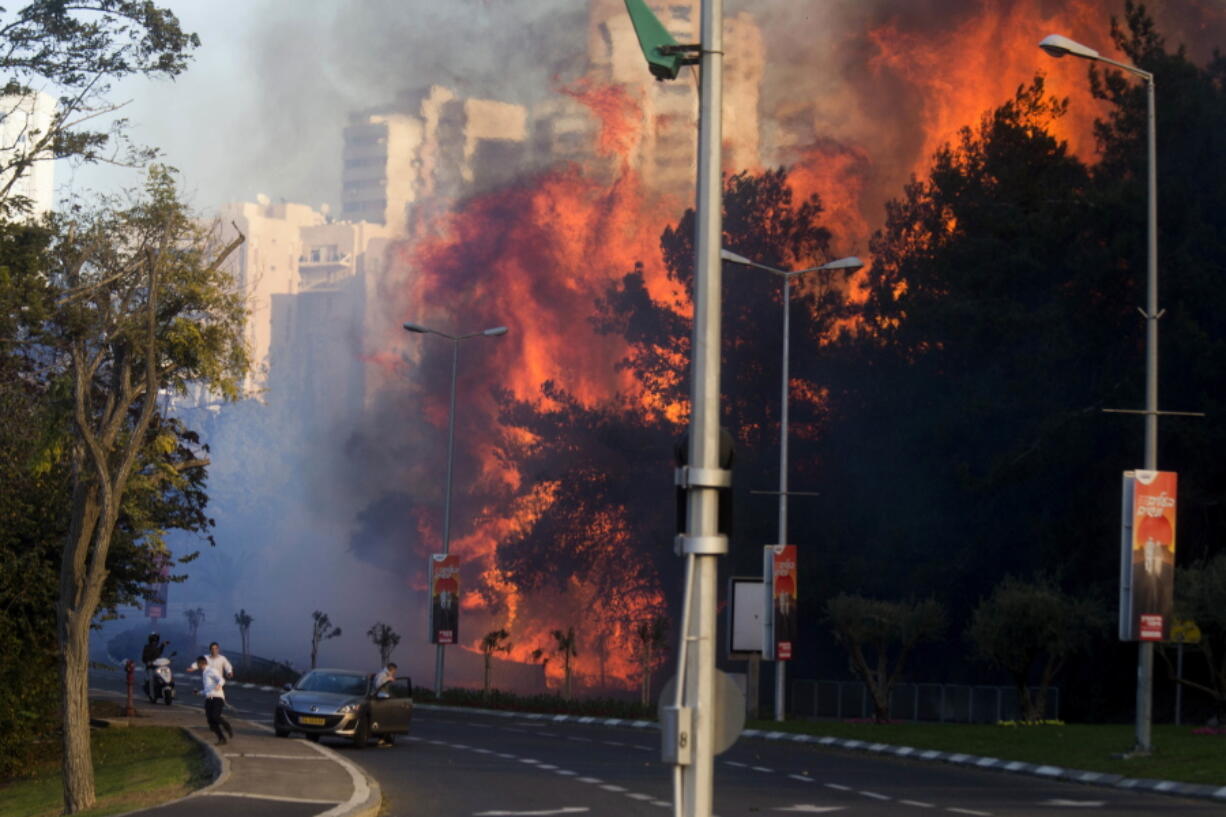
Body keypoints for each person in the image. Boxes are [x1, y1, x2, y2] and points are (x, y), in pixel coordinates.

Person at [194, 655, 234, 745]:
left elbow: (222, 680)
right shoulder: (204, 673)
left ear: (201, 663)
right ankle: (222, 739)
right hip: (209, 699)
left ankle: (227, 725)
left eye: (197, 664)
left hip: (217, 698)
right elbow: (207, 689)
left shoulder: (211, 670)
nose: (197, 666)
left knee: (215, 716)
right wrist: (199, 693)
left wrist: (219, 685)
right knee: (211, 722)